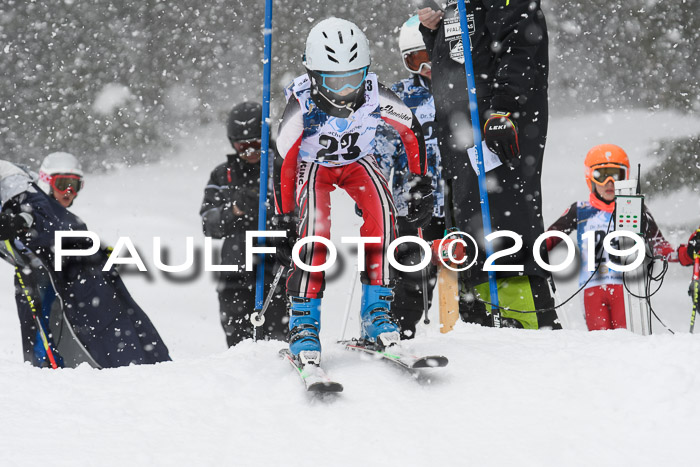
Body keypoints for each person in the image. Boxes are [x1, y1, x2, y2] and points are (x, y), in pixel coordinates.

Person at [273, 17, 430, 365]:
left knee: (385, 218)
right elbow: (284, 160)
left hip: (359, 161)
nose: (345, 91)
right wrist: (283, 216)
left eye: (353, 78)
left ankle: (377, 312)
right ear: (314, 76)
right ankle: (303, 322)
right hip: (315, 166)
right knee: (314, 233)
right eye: (334, 81)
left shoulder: (374, 92)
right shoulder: (301, 102)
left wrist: (421, 181)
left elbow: (410, 130)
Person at [418, 1, 558, 329]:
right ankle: (488, 325)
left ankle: (529, 325)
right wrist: (434, 31)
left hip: (496, 129)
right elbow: (462, 58)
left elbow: (520, 46)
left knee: (505, 223)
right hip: (462, 136)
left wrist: (503, 110)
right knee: (471, 229)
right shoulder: (460, 6)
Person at [0, 157, 170, 368]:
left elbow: (66, 237)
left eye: (75, 185)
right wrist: (22, 223)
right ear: (45, 180)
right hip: (41, 281)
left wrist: (100, 254)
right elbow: (43, 230)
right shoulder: (32, 200)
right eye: (62, 184)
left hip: (71, 286)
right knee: (45, 344)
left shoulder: (68, 218)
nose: (69, 191)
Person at [546, 144, 684, 331]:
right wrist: (534, 249)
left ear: (624, 177)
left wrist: (683, 254)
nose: (610, 183)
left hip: (626, 288)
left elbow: (659, 244)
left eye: (616, 175)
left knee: (627, 341)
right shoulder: (579, 210)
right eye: (601, 175)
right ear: (590, 178)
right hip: (591, 288)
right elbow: (551, 238)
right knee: (601, 343)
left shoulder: (635, 208)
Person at [373, 15, 445, 339]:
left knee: (468, 270)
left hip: (459, 199)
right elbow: (382, 148)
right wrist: (373, 189)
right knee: (412, 277)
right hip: (414, 203)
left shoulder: (463, 89)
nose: (427, 67)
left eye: (431, 56)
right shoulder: (400, 97)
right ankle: (397, 331)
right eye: (417, 60)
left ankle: (481, 334)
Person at [200, 101, 287, 347]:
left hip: (278, 272)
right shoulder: (223, 175)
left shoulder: (283, 168)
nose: (249, 151)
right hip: (235, 275)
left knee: (277, 343)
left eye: (255, 144)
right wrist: (235, 210)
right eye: (242, 145)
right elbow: (209, 224)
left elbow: (303, 213)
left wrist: (270, 209)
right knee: (240, 346)